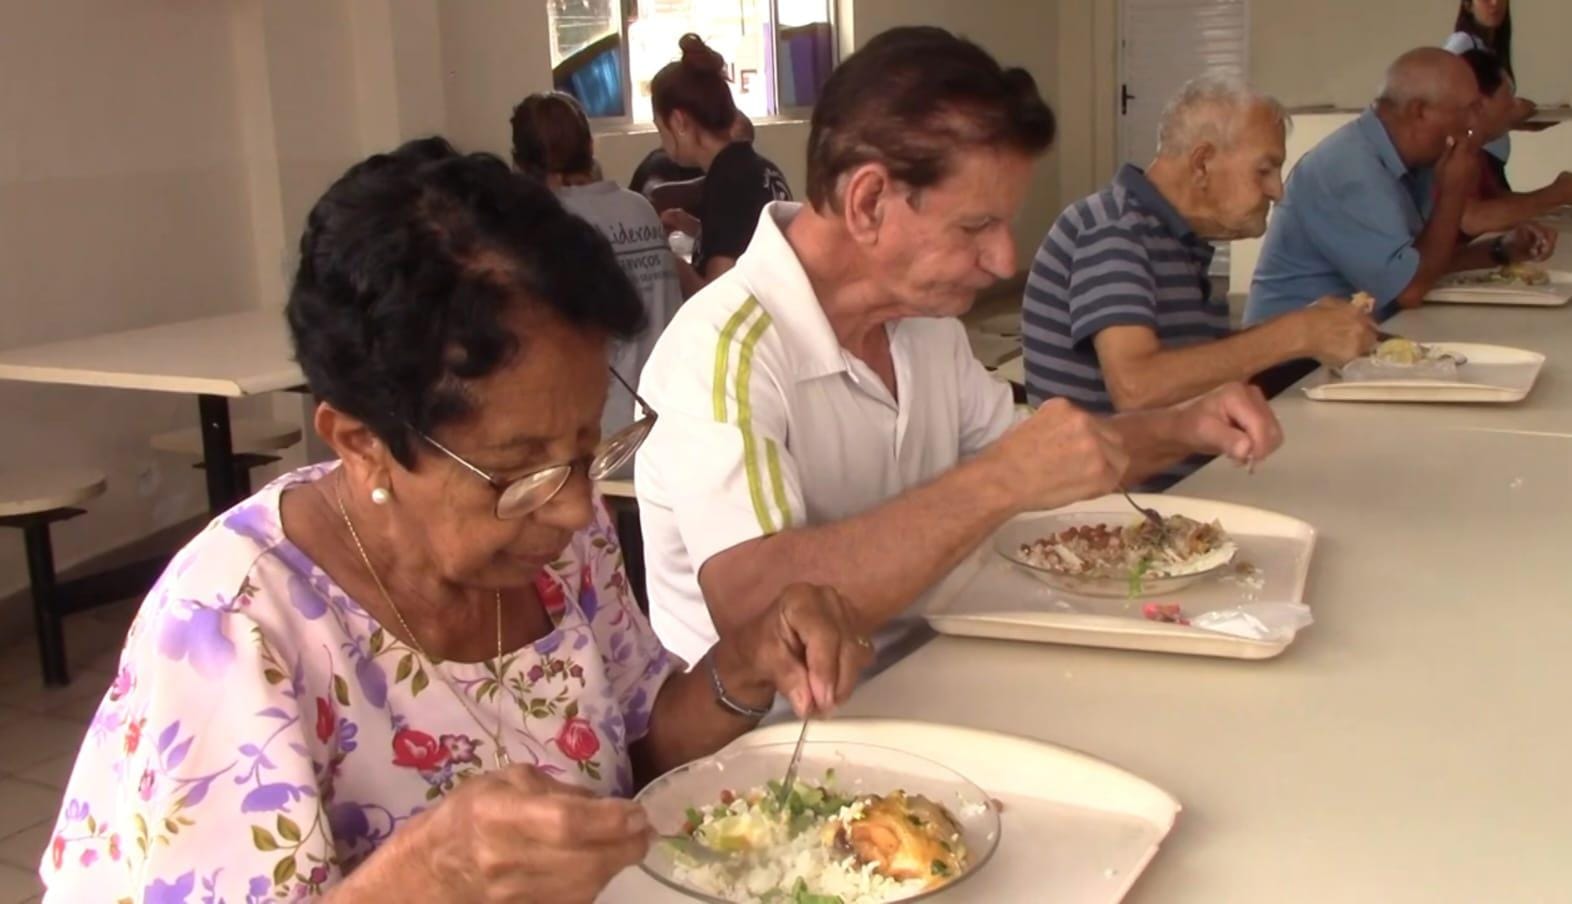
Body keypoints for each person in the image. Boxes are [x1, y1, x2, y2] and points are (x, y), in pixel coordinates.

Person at [38, 139, 872, 901]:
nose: (580, 507)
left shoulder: (555, 535)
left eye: (587, 446)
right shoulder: (234, 628)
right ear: (362, 444)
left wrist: (749, 660)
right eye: (519, 470)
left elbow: (640, 752)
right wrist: (431, 870)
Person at [634, 27, 1284, 668]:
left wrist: (1185, 425)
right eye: (977, 225)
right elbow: (758, 612)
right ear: (868, 203)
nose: (1004, 260)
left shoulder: (925, 326)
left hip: (937, 670)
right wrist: (998, 481)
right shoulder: (722, 351)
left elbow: (1051, 460)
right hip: (788, 738)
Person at [1023, 74, 1375, 487]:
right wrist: (1294, 334)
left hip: (1184, 484)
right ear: (1203, 162)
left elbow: (1199, 372)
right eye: (1265, 169)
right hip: (1123, 509)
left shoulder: (1171, 237)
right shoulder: (1113, 231)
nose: (1278, 191)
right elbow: (1137, 386)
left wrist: (1314, 336)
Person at [1245, 48, 1555, 326]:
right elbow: (1410, 289)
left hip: (1355, 339)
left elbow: (1415, 264)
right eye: (1468, 110)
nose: (1475, 122)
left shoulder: (1411, 159)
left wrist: (1500, 249)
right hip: (1291, 367)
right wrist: (1453, 192)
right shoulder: (1349, 169)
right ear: (1419, 111)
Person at [511, 91, 686, 448]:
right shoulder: (640, 208)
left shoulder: (542, 228)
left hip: (605, 440)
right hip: (676, 423)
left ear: (519, 164)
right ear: (591, 146)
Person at [651, 35, 792, 286]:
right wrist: (694, 227)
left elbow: (720, 296)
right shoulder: (762, 168)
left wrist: (667, 260)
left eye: (660, 128)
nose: (662, 141)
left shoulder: (728, 182)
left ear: (679, 122)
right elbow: (745, 239)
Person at [1445, 50, 1572, 237]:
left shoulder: (1475, 151)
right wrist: (1556, 194)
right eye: (1509, 98)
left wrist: (1558, 201)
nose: (1515, 107)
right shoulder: (1448, 148)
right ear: (1480, 104)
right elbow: (1474, 219)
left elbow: (1496, 200)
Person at [1443, 0, 1536, 167]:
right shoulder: (1463, 43)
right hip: (1476, 159)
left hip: (1490, 159)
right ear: (1468, 4)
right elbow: (1440, 93)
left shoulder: (1489, 48)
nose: (1495, 3)